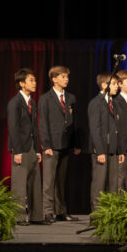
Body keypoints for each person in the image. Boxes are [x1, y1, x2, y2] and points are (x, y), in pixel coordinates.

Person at [38, 65, 79, 223]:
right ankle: (48, 211)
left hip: (65, 144)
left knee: (61, 180)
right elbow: (43, 123)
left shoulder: (70, 98)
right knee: (49, 181)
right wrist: (46, 145)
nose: (66, 79)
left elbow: (73, 123)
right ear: (54, 79)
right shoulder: (45, 98)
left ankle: (61, 211)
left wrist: (75, 144)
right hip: (51, 145)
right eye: (63, 76)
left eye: (67, 76)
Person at [7, 68, 46, 225]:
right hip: (20, 148)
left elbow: (34, 128)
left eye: (35, 80)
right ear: (22, 83)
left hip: (31, 148)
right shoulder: (14, 103)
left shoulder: (32, 102)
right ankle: (18, 217)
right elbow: (13, 128)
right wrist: (17, 151)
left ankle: (37, 216)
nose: (34, 83)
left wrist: (37, 150)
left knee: (35, 182)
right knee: (19, 184)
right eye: (31, 80)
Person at [87, 73, 123, 213]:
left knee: (113, 184)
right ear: (104, 85)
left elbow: (117, 129)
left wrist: (120, 150)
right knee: (99, 183)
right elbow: (95, 129)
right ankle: (97, 215)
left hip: (113, 149)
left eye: (117, 84)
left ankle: (111, 213)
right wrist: (100, 151)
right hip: (101, 150)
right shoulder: (96, 102)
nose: (117, 87)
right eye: (113, 84)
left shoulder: (114, 103)